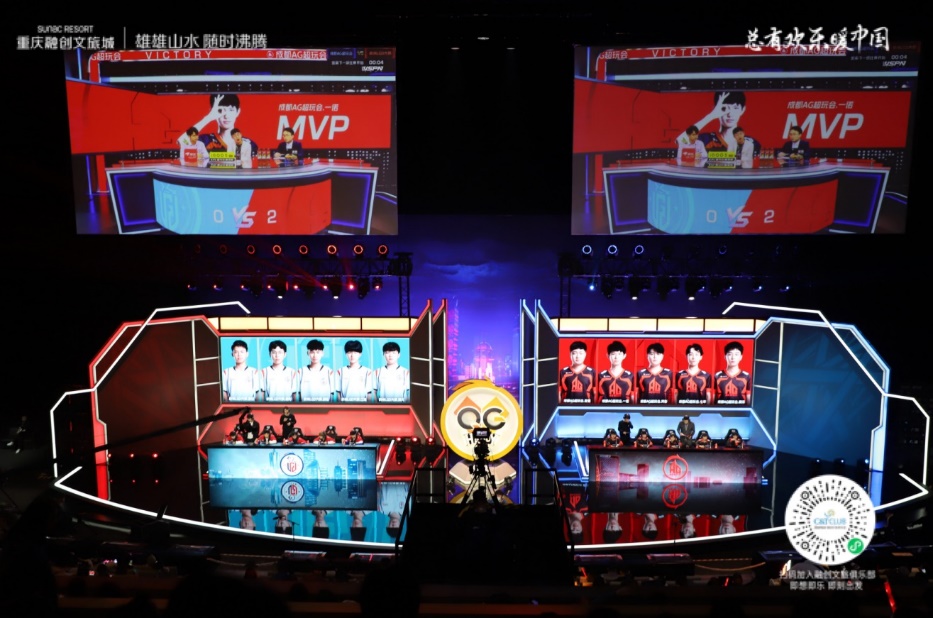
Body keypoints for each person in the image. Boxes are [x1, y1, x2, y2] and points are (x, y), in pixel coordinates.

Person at [678, 91, 748, 154]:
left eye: (735, 108)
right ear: (716, 109)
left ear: (743, 110)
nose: (730, 114)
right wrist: (712, 115)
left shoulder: (749, 143)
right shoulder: (705, 140)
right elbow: (681, 141)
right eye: (724, 108)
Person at [177, 93, 242, 154]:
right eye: (221, 110)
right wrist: (209, 117)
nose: (226, 116)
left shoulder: (246, 143)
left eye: (231, 110)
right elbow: (182, 142)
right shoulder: (205, 141)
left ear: (238, 112)